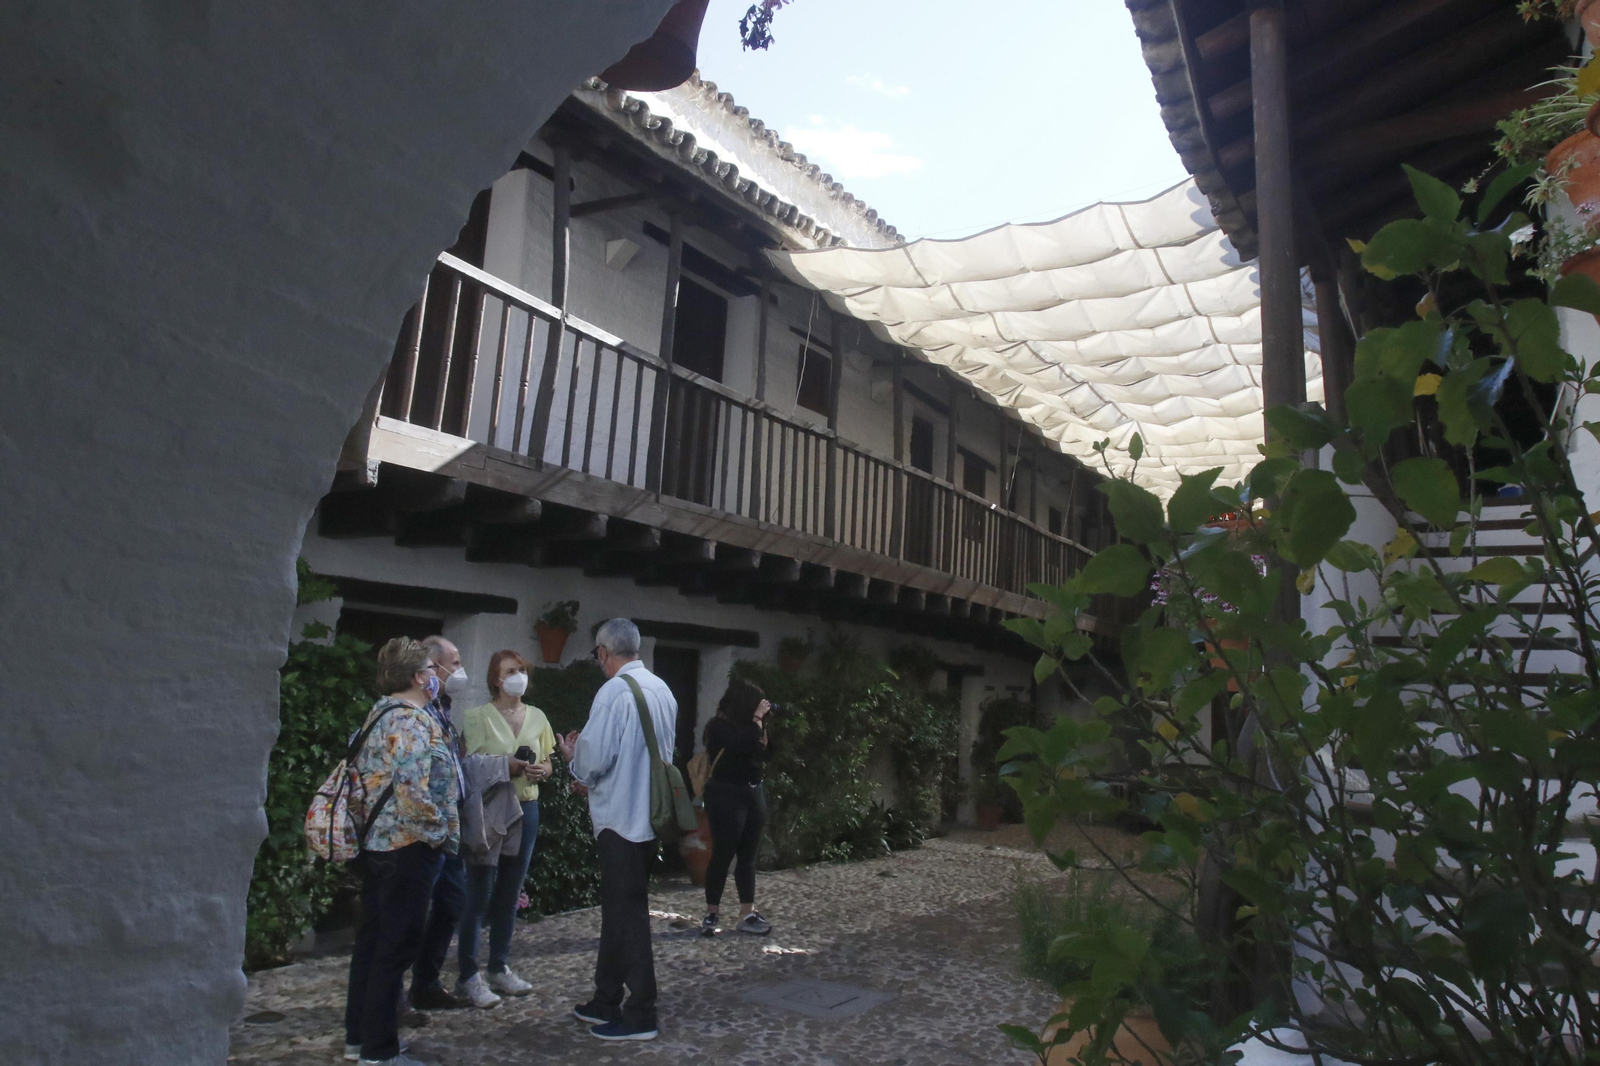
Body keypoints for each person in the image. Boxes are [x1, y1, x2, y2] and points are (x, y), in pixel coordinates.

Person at [557, 619, 676, 1042]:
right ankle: (605, 998)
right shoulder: (662, 689)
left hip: (620, 818)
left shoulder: (613, 693)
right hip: (649, 817)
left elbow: (593, 760)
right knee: (620, 911)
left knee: (627, 916)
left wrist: (572, 759)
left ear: (605, 653)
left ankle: (641, 1011)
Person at [342, 637, 460, 1066]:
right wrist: (437, 834)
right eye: (431, 670)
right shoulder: (411, 721)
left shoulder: (379, 713)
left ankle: (360, 1039)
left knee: (373, 946)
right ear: (417, 677)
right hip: (407, 847)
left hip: (378, 846)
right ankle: (380, 1051)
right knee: (394, 950)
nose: (436, 677)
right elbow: (413, 790)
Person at [457, 650, 556, 1004]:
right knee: (479, 891)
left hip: (526, 807)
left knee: (510, 892)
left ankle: (499, 966)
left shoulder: (538, 716)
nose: (519, 676)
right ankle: (467, 974)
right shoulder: (477, 717)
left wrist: (542, 770)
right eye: (512, 671)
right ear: (496, 680)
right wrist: (506, 766)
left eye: (523, 670)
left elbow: (548, 761)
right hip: (490, 810)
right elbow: (467, 766)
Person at [405, 635, 473, 1012]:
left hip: (450, 826)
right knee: (412, 913)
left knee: (451, 903)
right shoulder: (415, 712)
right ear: (430, 669)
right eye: (454, 662)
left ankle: (426, 983)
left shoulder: (441, 708)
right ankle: (393, 996)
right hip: (426, 829)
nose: (459, 670)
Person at [698, 679, 773, 937]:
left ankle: (747, 912)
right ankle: (712, 911)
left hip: (753, 792)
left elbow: (764, 753)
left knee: (747, 857)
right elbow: (740, 744)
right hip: (726, 795)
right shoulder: (718, 727)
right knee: (723, 854)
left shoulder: (752, 728)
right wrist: (756, 720)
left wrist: (762, 727)